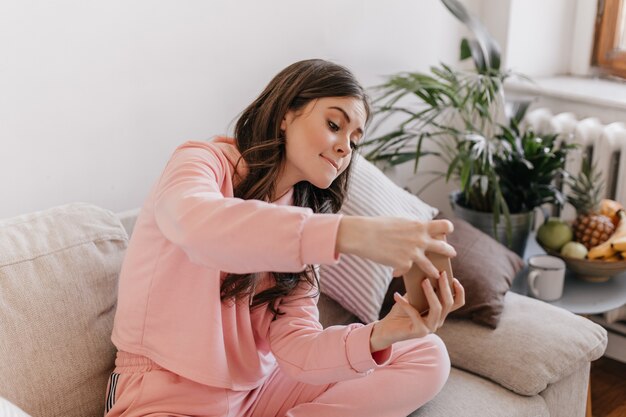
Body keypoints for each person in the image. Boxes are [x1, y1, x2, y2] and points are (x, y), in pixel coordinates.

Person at [104, 58, 465, 417]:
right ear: (284, 115)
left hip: (261, 392)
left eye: (355, 141)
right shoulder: (201, 161)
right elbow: (195, 225)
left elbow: (298, 349)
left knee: (427, 352)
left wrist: (383, 333)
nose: (345, 148)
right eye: (334, 124)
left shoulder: (306, 220)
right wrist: (348, 233)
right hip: (163, 392)